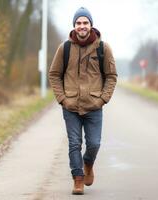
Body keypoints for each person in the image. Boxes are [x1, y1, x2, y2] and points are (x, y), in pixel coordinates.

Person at [48, 7, 117, 195]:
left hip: (94, 106)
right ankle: (77, 179)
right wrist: (62, 98)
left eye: (85, 23)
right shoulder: (65, 48)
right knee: (74, 143)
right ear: (74, 26)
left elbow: (111, 76)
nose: (82, 26)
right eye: (78, 23)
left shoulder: (103, 48)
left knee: (94, 144)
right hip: (71, 106)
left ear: (91, 25)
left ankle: (88, 164)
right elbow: (54, 74)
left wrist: (103, 99)